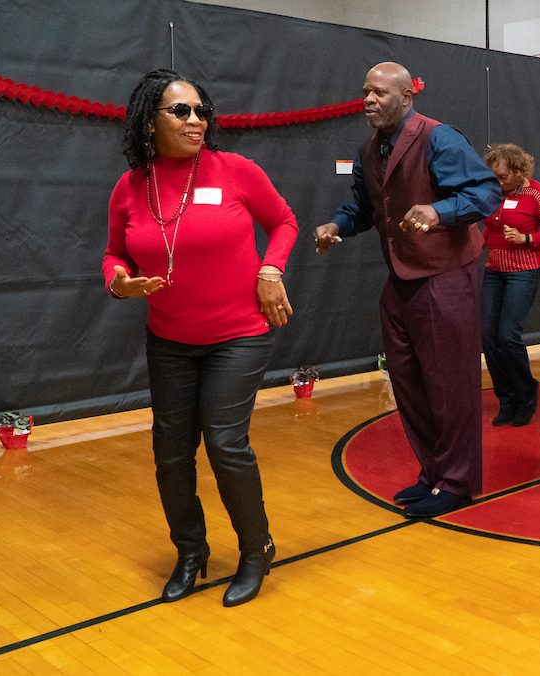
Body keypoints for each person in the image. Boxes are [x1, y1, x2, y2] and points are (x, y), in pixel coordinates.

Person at [103, 69, 298, 606]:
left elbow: (284, 222)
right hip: (168, 338)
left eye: (201, 110)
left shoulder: (234, 171)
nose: (197, 120)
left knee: (225, 443)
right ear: (149, 122)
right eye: (181, 111)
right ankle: (191, 552)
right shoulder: (130, 187)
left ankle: (256, 550)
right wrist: (119, 283)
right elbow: (114, 253)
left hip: (238, 336)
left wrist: (269, 271)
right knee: (170, 452)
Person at [315, 62, 501, 518]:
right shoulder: (369, 149)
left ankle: (456, 481)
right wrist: (337, 225)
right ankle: (434, 472)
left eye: (380, 92)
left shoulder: (440, 138)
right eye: (365, 92)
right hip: (402, 278)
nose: (369, 100)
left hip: (445, 274)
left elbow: (487, 191)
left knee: (450, 385)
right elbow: (363, 207)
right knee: (408, 381)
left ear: (406, 97)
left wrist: (440, 212)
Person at [480, 144, 540, 427]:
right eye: (494, 177)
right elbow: (490, 227)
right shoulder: (495, 193)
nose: (499, 182)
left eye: (503, 177)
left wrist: (528, 239)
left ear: (519, 172)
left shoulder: (536, 194)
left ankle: (526, 395)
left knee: (508, 334)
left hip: (524, 271)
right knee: (488, 337)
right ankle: (506, 401)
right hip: (494, 270)